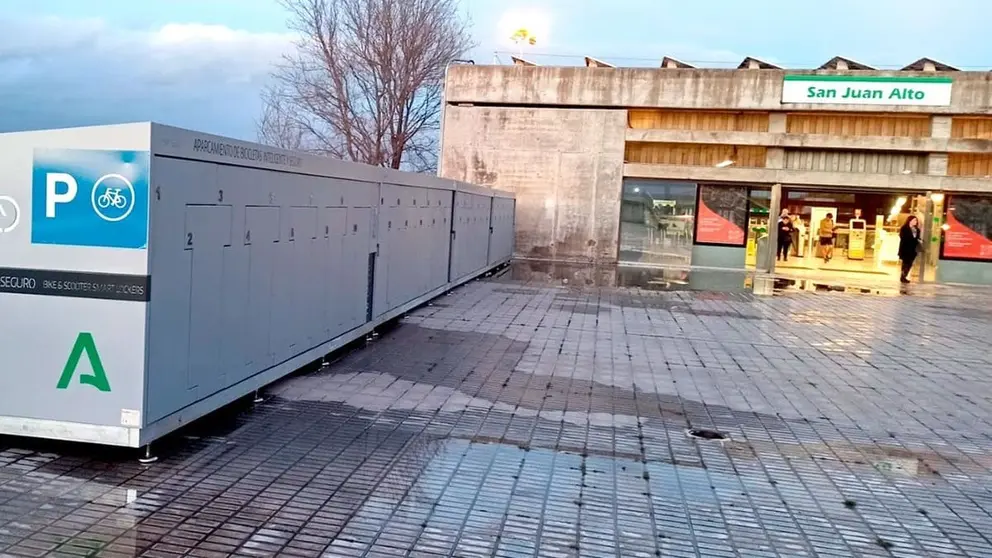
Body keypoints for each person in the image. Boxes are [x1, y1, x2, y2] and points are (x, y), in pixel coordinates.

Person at [898, 215, 922, 284]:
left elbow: (917, 238)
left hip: (913, 249)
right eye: (914, 220)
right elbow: (903, 238)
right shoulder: (904, 228)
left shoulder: (917, 230)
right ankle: (903, 277)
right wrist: (913, 240)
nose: (916, 222)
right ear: (910, 221)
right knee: (905, 263)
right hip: (905, 249)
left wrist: (919, 241)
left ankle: (904, 276)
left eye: (916, 220)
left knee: (910, 264)